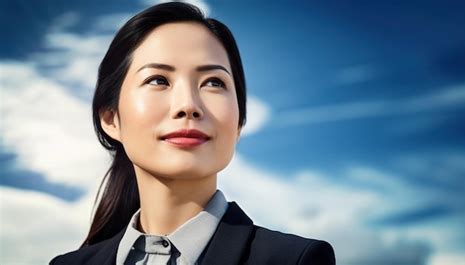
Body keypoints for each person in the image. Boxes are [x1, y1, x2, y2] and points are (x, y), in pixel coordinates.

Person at [50, 2, 335, 264]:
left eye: (213, 82)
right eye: (158, 80)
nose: (188, 105)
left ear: (238, 124)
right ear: (111, 119)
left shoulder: (295, 260)